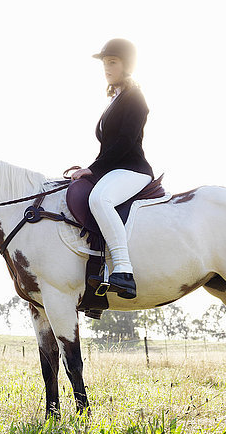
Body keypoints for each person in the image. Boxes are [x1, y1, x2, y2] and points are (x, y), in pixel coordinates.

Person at [71, 38, 154, 299]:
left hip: (133, 169)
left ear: (127, 65)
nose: (107, 67)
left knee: (100, 198)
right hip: (114, 169)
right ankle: (97, 271)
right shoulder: (116, 99)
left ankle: (124, 271)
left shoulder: (135, 98)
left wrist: (93, 169)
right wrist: (89, 169)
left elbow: (125, 142)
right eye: (105, 63)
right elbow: (108, 147)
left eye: (113, 62)